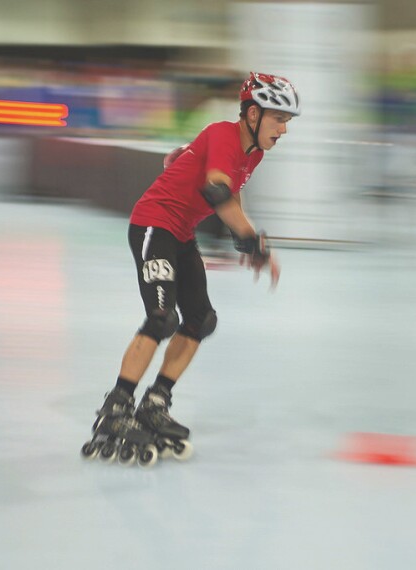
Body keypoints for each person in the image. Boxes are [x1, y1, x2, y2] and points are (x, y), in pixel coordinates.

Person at [81, 72, 301, 466]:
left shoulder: (254, 152)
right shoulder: (222, 133)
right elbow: (216, 190)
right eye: (279, 119)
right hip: (153, 225)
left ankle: (155, 402)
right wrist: (251, 240)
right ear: (253, 114)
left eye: (287, 122)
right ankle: (115, 408)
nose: (284, 130)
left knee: (200, 318)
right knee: (162, 317)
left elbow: (230, 192)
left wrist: (246, 240)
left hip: (181, 233)